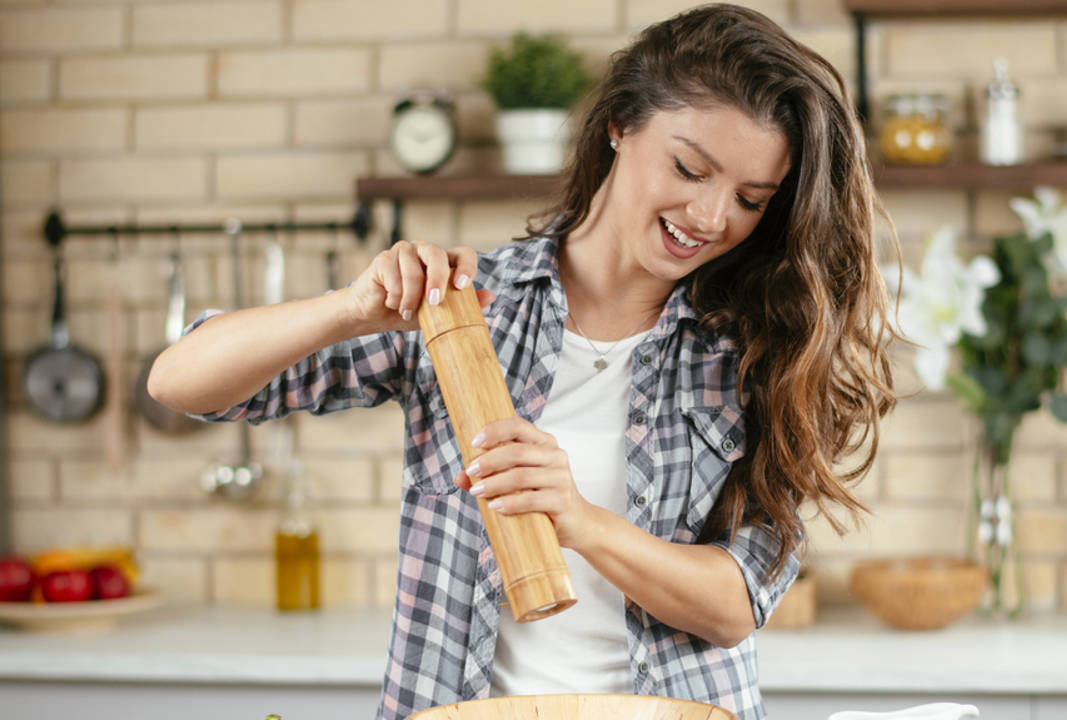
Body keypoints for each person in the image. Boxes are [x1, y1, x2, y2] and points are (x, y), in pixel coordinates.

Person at [148, 4, 900, 719]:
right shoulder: (464, 307)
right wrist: (351, 308)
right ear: (619, 125)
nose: (710, 218)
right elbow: (181, 383)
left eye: (750, 197)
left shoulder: (758, 348)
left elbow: (735, 605)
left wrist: (579, 521)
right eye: (689, 168)